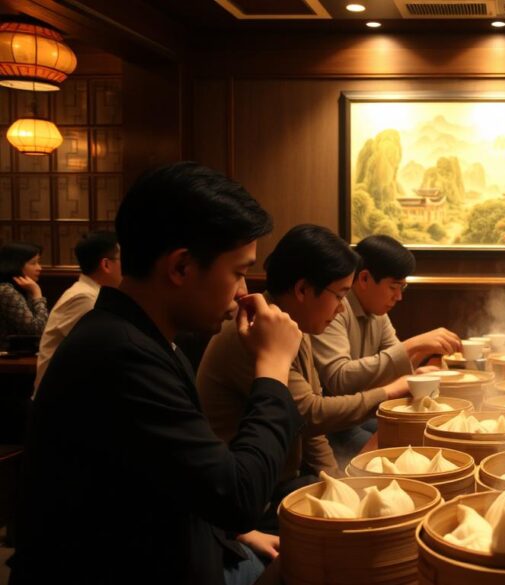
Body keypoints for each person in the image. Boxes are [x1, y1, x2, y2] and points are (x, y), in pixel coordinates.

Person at [12, 162, 305, 585]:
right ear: (181, 267)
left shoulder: (142, 337)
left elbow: (181, 474)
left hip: (190, 543)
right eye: (239, 272)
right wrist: (274, 368)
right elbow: (239, 496)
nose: (244, 292)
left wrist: (236, 533)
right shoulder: (120, 355)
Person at [197, 224, 410, 519]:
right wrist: (388, 393)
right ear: (302, 290)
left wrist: (337, 483)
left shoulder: (293, 324)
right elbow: (308, 414)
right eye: (340, 296)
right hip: (242, 497)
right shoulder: (253, 330)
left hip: (276, 480)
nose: (342, 309)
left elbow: (310, 431)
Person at [311, 234, 459, 457]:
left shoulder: (377, 312)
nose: (398, 297)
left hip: (364, 413)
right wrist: (413, 345)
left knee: (423, 435)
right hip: (334, 426)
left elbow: (394, 364)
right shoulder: (335, 308)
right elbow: (339, 379)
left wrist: (419, 363)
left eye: (402, 287)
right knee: (401, 452)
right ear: (364, 279)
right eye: (393, 287)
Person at [34, 230, 122, 393]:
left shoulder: (91, 293)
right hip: (59, 400)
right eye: (122, 259)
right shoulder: (83, 298)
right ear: (106, 265)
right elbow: (101, 351)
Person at [0, 241, 47, 349]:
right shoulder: (6, 291)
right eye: (33, 263)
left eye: (38, 262)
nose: (39, 268)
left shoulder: (23, 287)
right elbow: (38, 330)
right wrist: (37, 294)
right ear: (16, 264)